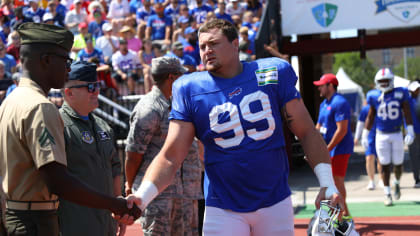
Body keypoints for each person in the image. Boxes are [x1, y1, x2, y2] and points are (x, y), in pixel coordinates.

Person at [122, 19, 342, 236]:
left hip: (275, 200)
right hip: (222, 205)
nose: (206, 50)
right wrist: (142, 196)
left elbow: (306, 132)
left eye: (213, 43)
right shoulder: (189, 88)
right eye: (202, 46)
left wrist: (327, 183)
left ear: (235, 44)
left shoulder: (271, 72)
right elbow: (171, 156)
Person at [0, 22, 140, 236]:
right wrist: (115, 205)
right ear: (46, 60)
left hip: (17, 215)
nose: (68, 69)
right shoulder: (40, 107)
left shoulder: (12, 101)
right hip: (36, 222)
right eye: (65, 61)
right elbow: (58, 181)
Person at [58, 61, 125, 236]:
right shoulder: (57, 124)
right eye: (89, 87)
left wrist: (119, 209)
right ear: (69, 92)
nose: (96, 91)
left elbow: (114, 168)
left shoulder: (103, 126)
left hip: (106, 223)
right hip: (77, 223)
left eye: (96, 85)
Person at [124, 57, 187, 235]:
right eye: (181, 75)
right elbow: (133, 154)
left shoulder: (172, 103)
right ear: (171, 78)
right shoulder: (149, 108)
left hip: (174, 190)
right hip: (154, 195)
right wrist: (130, 185)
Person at [362, 67, 415, 206]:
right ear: (377, 82)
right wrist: (364, 134)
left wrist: (410, 130)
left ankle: (396, 182)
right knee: (384, 164)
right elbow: (371, 115)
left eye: (386, 81)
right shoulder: (374, 95)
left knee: (398, 164)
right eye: (381, 81)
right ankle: (387, 193)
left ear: (392, 81)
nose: (384, 83)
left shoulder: (400, 92)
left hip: (397, 133)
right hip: (381, 135)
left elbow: (407, 111)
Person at [314, 74, 354, 219]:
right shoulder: (323, 104)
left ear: (330, 86)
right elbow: (318, 126)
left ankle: (341, 215)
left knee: (337, 180)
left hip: (340, 148)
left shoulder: (340, 102)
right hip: (329, 149)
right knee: (329, 181)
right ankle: (344, 213)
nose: (319, 87)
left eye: (321, 85)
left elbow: (342, 130)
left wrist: (327, 148)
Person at [354, 90, 383, 190]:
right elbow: (360, 123)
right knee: (369, 158)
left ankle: (382, 179)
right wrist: (357, 137)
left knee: (381, 159)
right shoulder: (365, 109)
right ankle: (371, 180)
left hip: (381, 135)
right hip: (369, 137)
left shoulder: (382, 108)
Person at [406, 81, 420, 188]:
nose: (417, 91)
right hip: (412, 133)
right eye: (415, 89)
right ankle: (417, 179)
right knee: (414, 157)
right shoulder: (407, 100)